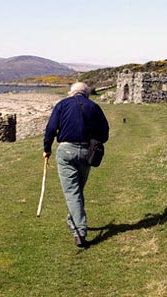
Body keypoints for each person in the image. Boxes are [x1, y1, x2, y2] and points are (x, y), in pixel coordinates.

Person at [43, 82, 109, 248]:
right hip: (88, 152)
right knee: (77, 190)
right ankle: (73, 221)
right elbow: (105, 133)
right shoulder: (94, 106)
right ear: (86, 94)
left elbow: (51, 128)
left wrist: (47, 149)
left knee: (72, 191)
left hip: (66, 151)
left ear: (71, 92)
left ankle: (79, 231)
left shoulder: (62, 104)